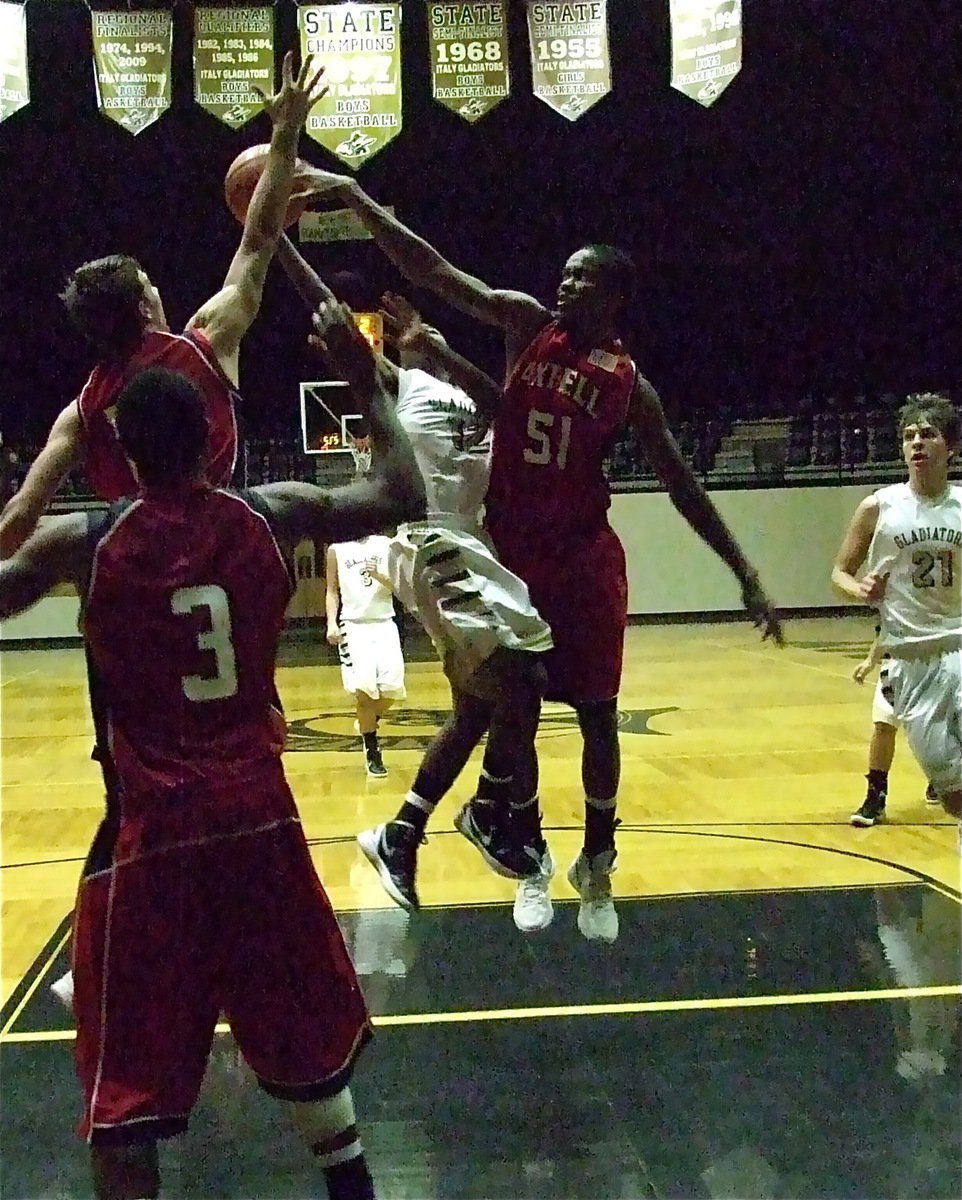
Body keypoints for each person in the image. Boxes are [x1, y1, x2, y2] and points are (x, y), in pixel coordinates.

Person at [0, 299, 426, 1200]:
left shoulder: (89, 540)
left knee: (126, 1095)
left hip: (154, 834)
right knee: (308, 1045)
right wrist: (363, 381)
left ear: (122, 449)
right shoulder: (272, 513)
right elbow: (402, 494)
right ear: (209, 432)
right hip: (261, 819)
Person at [296, 170, 784, 941]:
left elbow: (682, 484)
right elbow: (434, 270)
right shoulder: (525, 324)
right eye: (563, 274)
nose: (564, 285)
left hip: (583, 562)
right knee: (502, 704)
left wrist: (744, 570)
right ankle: (527, 856)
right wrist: (362, 205)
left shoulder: (631, 388)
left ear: (614, 297)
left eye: (582, 278)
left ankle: (596, 859)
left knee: (596, 717)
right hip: (505, 554)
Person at [3, 52, 325, 1006]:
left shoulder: (81, 408)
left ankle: (107, 950)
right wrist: (284, 134)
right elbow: (261, 238)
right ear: (146, 303)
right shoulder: (203, 338)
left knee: (131, 792)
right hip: (223, 568)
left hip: (129, 607)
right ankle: (258, 946)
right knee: (243, 763)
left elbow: (20, 519)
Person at [275, 239, 557, 932]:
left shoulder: (459, 392)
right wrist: (273, 234)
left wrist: (434, 347)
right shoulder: (394, 388)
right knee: (523, 677)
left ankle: (401, 833)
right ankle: (498, 813)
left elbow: (501, 403)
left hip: (466, 544)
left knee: (475, 712)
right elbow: (328, 309)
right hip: (427, 537)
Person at [832, 393, 961, 832]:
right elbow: (840, 572)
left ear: (951, 447)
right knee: (951, 793)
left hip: (960, 645)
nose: (917, 444)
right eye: (909, 437)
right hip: (911, 661)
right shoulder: (879, 507)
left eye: (928, 434)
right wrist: (861, 587)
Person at [326, 529, 405, 777]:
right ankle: (372, 750)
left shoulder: (386, 545)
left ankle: (366, 721)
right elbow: (331, 590)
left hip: (384, 622)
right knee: (364, 691)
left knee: (392, 690)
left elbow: (401, 587)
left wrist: (379, 575)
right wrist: (331, 622)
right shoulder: (336, 548)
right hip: (354, 625)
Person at [850, 625, 939, 826]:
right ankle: (875, 797)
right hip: (899, 665)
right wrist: (871, 660)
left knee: (937, 729)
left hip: (939, 665)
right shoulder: (896, 597)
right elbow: (887, 626)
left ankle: (944, 778)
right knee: (884, 724)